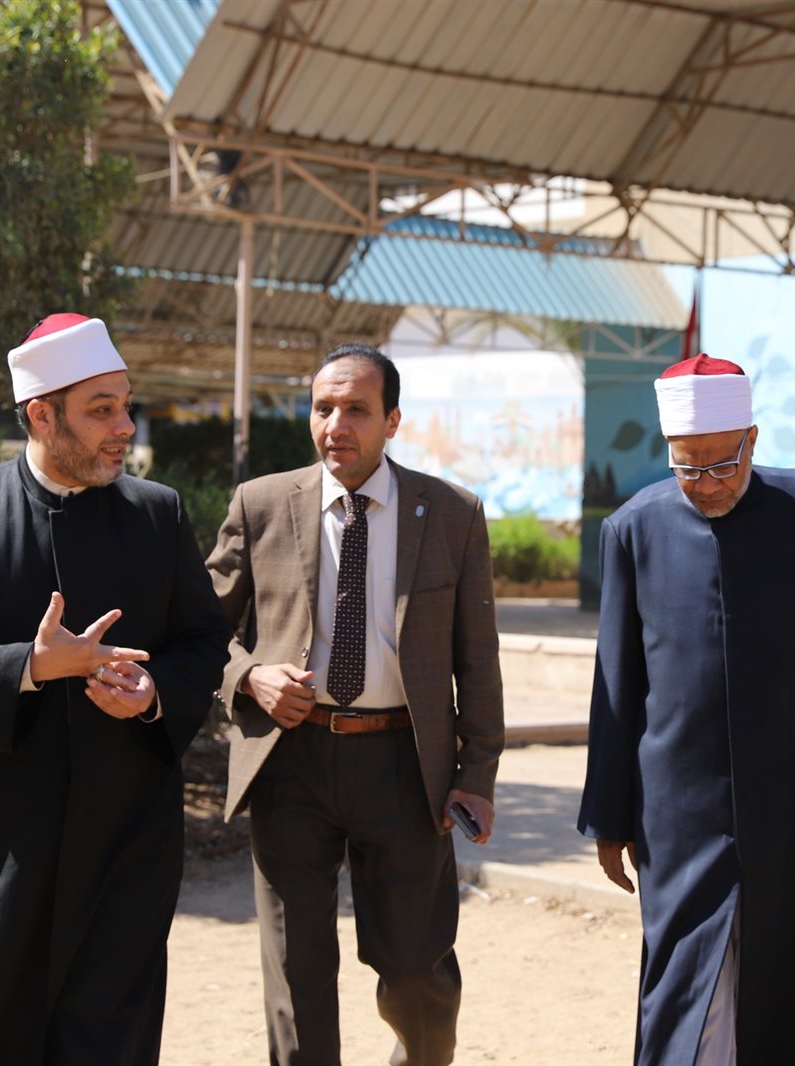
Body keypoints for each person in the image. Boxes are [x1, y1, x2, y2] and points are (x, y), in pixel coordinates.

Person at [0, 313, 232, 1065]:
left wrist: (153, 692)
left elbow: (205, 640)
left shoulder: (158, 514)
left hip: (125, 838)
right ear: (42, 415)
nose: (124, 428)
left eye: (126, 405)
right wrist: (31, 666)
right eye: (101, 410)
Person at [577, 353, 795, 1065]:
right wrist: (609, 816)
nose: (706, 484)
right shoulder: (632, 529)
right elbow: (616, 686)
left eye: (722, 464)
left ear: (753, 439)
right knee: (686, 993)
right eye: (688, 467)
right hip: (680, 821)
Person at [205, 343, 504, 1066]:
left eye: (357, 410)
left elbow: (477, 658)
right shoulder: (261, 504)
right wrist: (249, 677)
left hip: (406, 765)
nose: (336, 424)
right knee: (297, 971)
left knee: (416, 967)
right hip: (291, 760)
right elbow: (199, 630)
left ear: (392, 420)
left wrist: (477, 774)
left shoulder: (453, 513)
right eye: (323, 408)